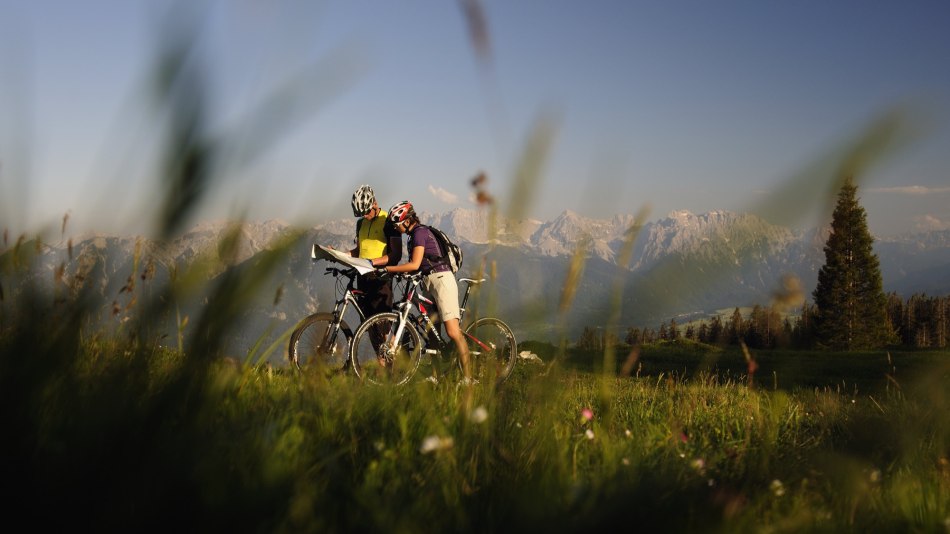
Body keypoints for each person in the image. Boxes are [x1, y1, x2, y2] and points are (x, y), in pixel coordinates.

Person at [378, 200, 473, 384]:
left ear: (406, 220)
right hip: (428, 282)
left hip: (442, 280)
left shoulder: (420, 233)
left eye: (397, 224)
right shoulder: (412, 236)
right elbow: (417, 267)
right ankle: (435, 376)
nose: (396, 228)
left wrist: (389, 269)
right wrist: (402, 274)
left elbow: (414, 264)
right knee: (431, 332)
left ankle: (469, 378)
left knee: (453, 331)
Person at [346, 184, 402, 318]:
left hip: (381, 279)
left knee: (383, 326)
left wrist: (371, 262)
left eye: (366, 212)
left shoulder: (388, 221)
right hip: (363, 277)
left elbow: (396, 255)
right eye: (361, 214)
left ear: (374, 204)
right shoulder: (360, 223)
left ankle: (393, 339)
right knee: (368, 324)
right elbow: (358, 251)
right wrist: (339, 255)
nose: (364, 216)